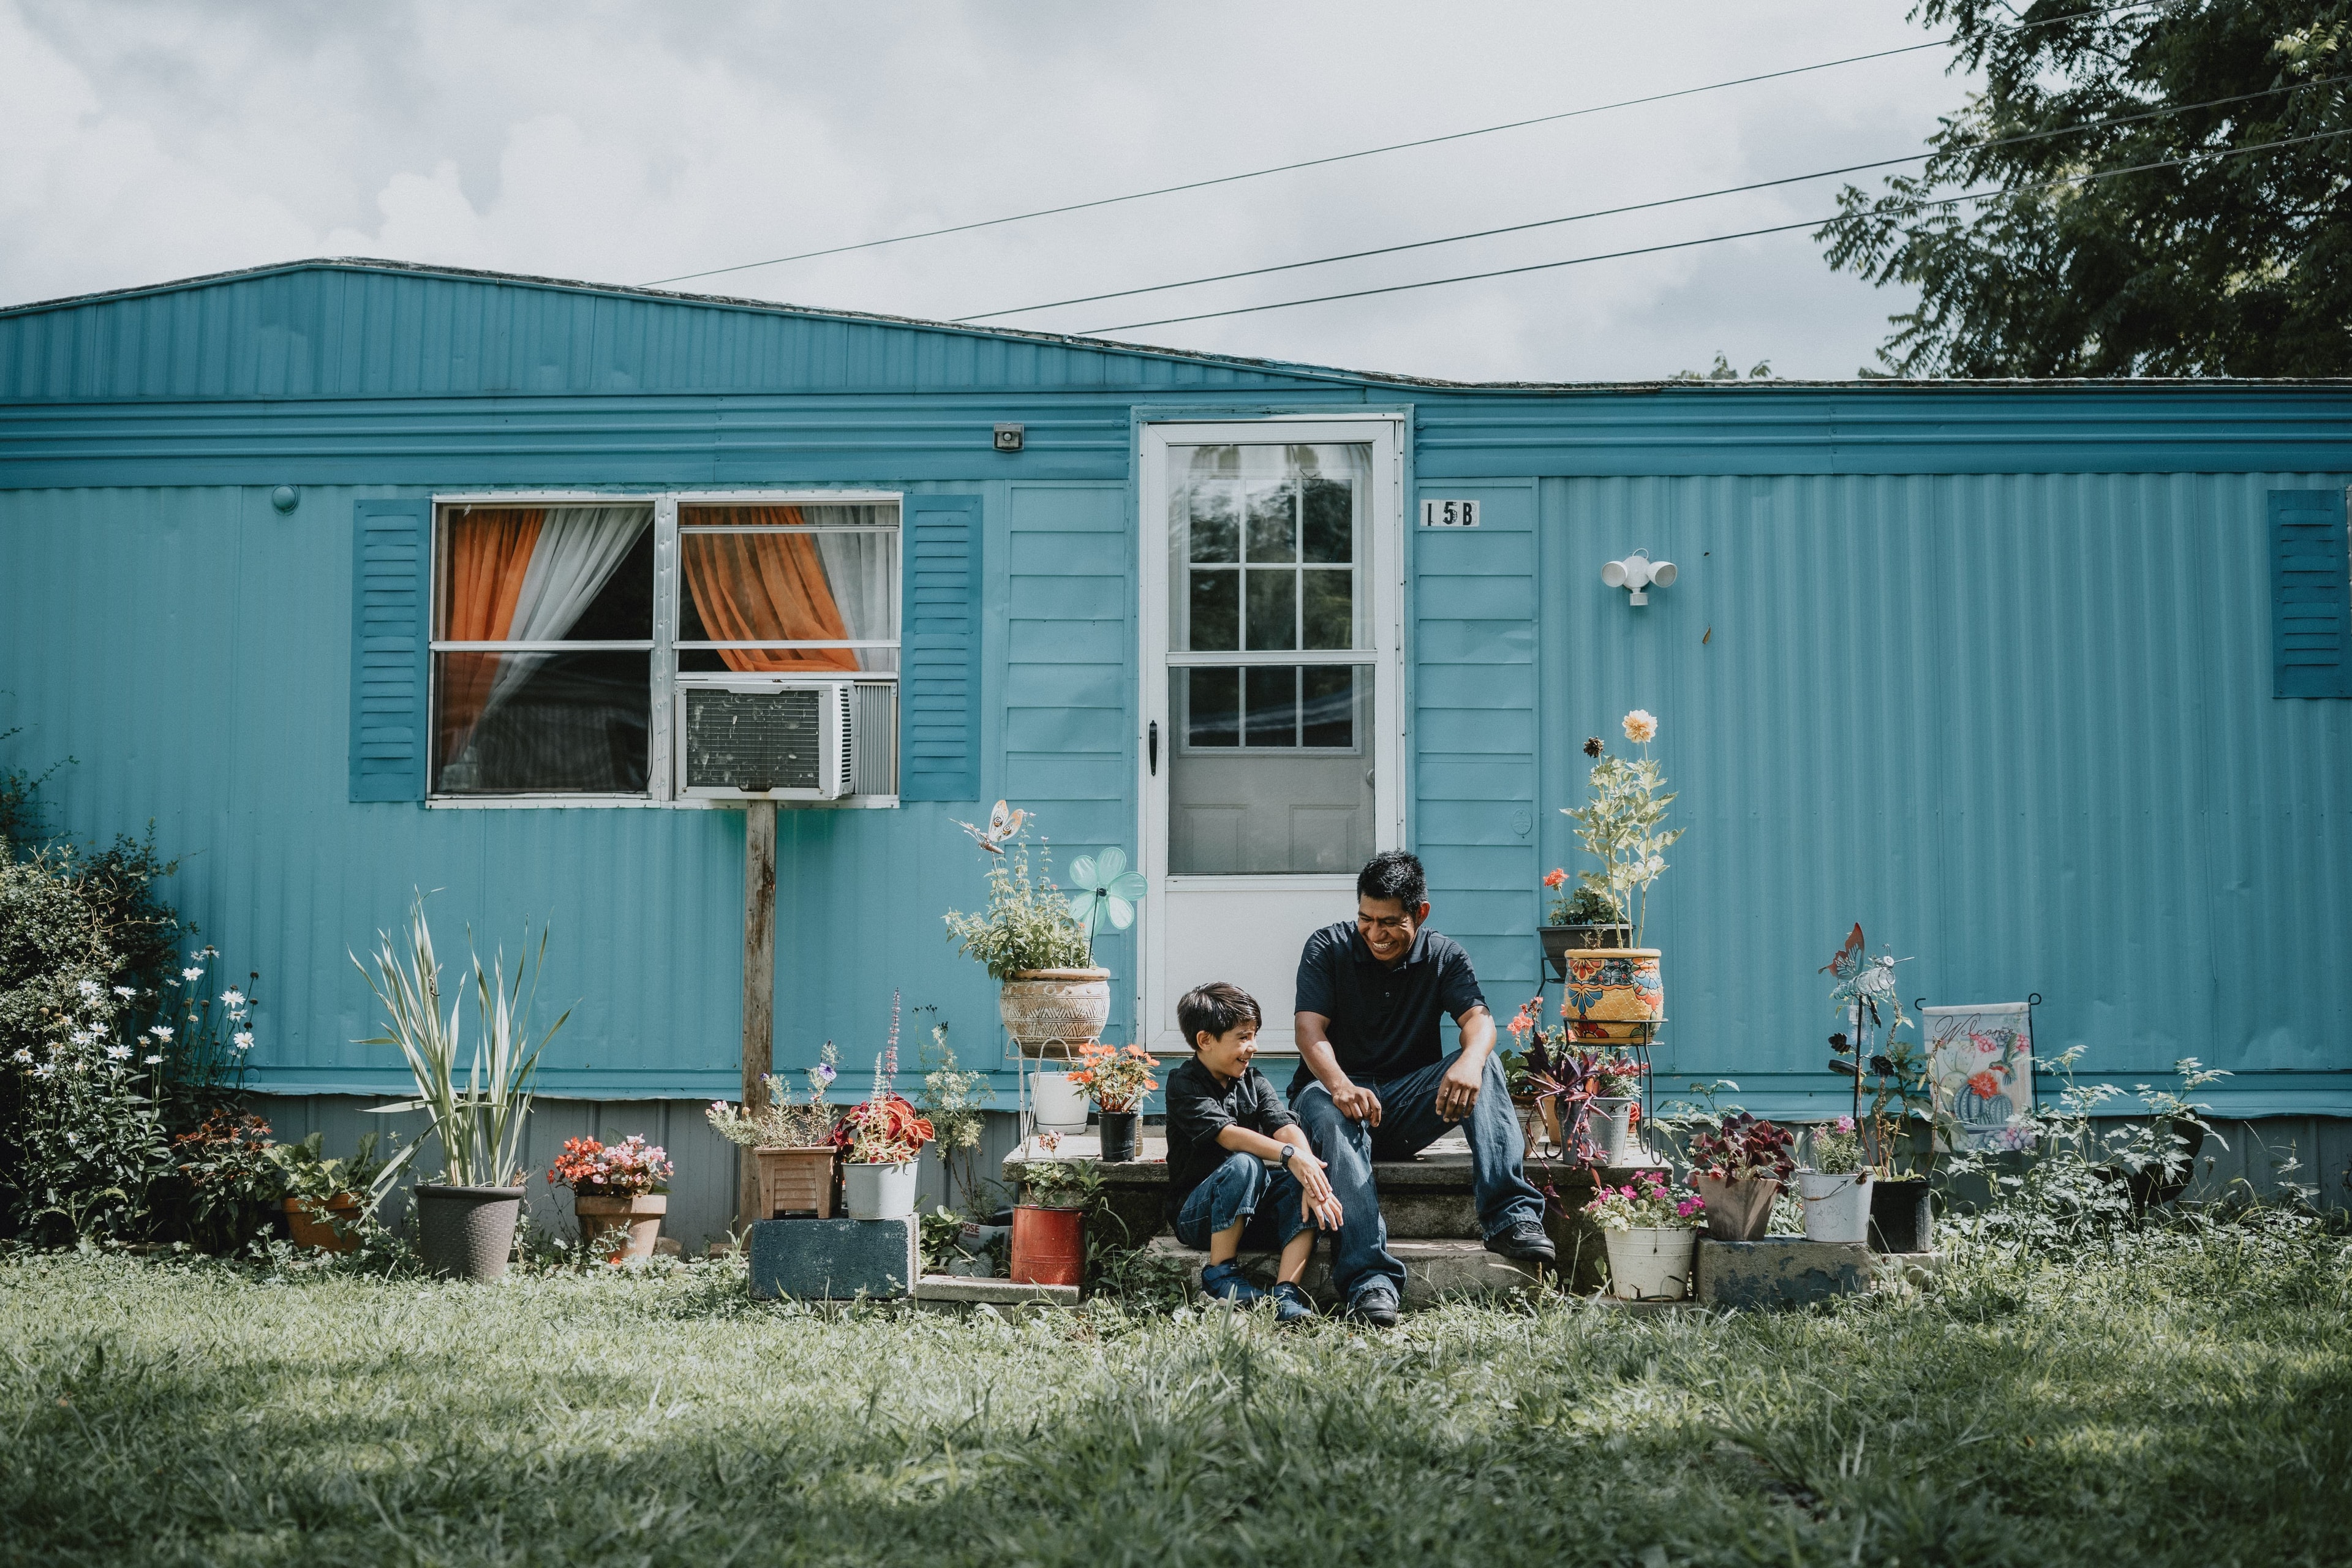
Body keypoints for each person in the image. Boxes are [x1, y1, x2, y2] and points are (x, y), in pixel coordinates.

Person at [1290, 850, 1555, 1325]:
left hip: (1402, 1107)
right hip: (1329, 1098)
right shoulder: (1326, 948)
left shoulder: (1444, 956)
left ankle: (1510, 1216)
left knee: (1484, 1061)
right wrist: (1341, 1084)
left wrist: (1470, 1060)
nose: (1376, 934)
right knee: (1332, 1110)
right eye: (1366, 919)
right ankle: (1369, 1281)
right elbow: (1310, 1033)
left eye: (1390, 923)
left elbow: (1480, 1021)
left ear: (1421, 913)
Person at [1163, 981, 1344, 1323]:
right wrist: (1291, 1156)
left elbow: (1284, 1126)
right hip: (1197, 1217)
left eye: (1254, 1035)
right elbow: (1230, 1137)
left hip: (1250, 1213)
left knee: (1298, 1182)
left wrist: (1309, 1173)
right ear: (1205, 1040)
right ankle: (1220, 1275)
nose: (1253, 1047)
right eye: (1243, 1037)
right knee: (1245, 1163)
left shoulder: (1254, 1081)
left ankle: (1286, 1294)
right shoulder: (1183, 1084)